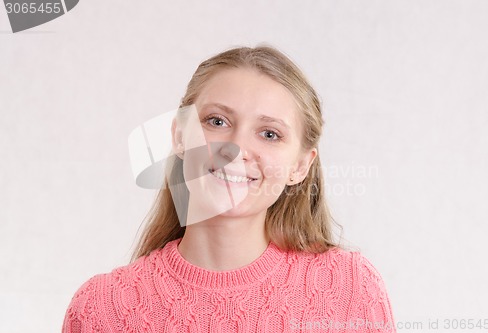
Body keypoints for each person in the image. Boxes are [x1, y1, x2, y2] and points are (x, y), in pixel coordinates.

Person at [62, 46, 396, 332]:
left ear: (300, 166)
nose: (235, 148)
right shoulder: (101, 309)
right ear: (180, 135)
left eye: (269, 134)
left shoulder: (350, 286)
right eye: (217, 122)